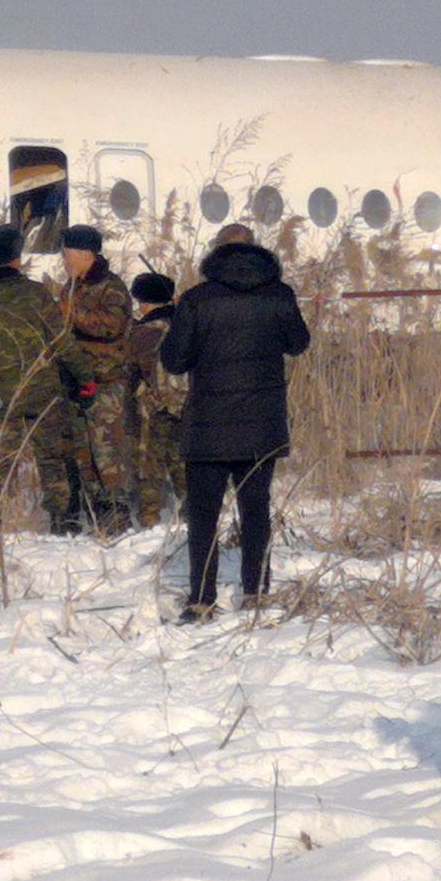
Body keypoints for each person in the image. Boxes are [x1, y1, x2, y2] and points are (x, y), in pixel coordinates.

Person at [159, 224, 310, 616]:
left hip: (208, 426)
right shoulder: (279, 296)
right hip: (262, 424)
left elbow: (173, 360)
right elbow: (299, 343)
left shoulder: (196, 300)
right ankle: (256, 591)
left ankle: (202, 598)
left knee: (203, 516)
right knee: (256, 511)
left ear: (216, 253)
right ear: (255, 250)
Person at [0, 225, 81, 531]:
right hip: (41, 392)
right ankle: (63, 523)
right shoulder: (36, 294)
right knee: (51, 460)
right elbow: (62, 341)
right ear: (17, 256)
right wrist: (84, 377)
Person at [57, 225, 137, 528]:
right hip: (77, 381)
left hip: (106, 382)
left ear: (83, 254)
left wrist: (71, 315)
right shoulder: (71, 285)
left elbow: (112, 326)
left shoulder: (110, 286)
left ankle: (118, 519)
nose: (64, 261)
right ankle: (96, 517)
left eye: (67, 255)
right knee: (85, 454)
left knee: (108, 453)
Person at [122, 272, 184, 526]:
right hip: (187, 407)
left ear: (144, 303)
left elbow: (128, 373)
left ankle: (149, 521)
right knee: (183, 465)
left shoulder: (142, 333)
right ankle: (196, 519)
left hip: (152, 410)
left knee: (150, 468)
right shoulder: (187, 326)